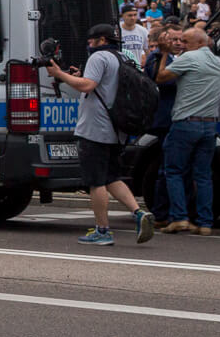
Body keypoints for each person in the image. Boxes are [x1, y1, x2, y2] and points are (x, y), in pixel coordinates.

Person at [46, 23, 156, 245]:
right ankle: (139, 213)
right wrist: (78, 75)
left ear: (102, 40)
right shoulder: (123, 57)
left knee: (96, 182)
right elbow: (104, 85)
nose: (89, 43)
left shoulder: (99, 57)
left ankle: (102, 231)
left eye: (91, 40)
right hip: (117, 129)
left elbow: (87, 86)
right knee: (112, 177)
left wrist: (59, 74)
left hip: (95, 129)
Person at [154, 24, 219, 235]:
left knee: (174, 171)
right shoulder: (219, 63)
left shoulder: (189, 59)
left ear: (200, 43)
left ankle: (180, 218)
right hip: (210, 123)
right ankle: (205, 222)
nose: (182, 45)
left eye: (186, 42)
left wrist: (164, 54)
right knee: (203, 175)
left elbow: (161, 77)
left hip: (185, 121)